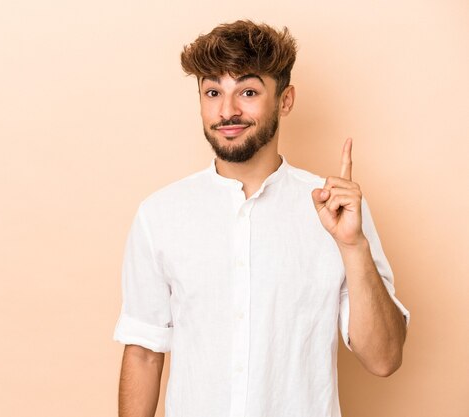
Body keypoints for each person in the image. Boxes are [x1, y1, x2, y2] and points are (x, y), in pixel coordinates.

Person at [112, 19, 410, 417]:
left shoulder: (336, 211)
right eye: (213, 92)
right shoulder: (160, 215)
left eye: (248, 92)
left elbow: (384, 359)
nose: (228, 111)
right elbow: (145, 353)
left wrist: (353, 246)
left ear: (285, 101)